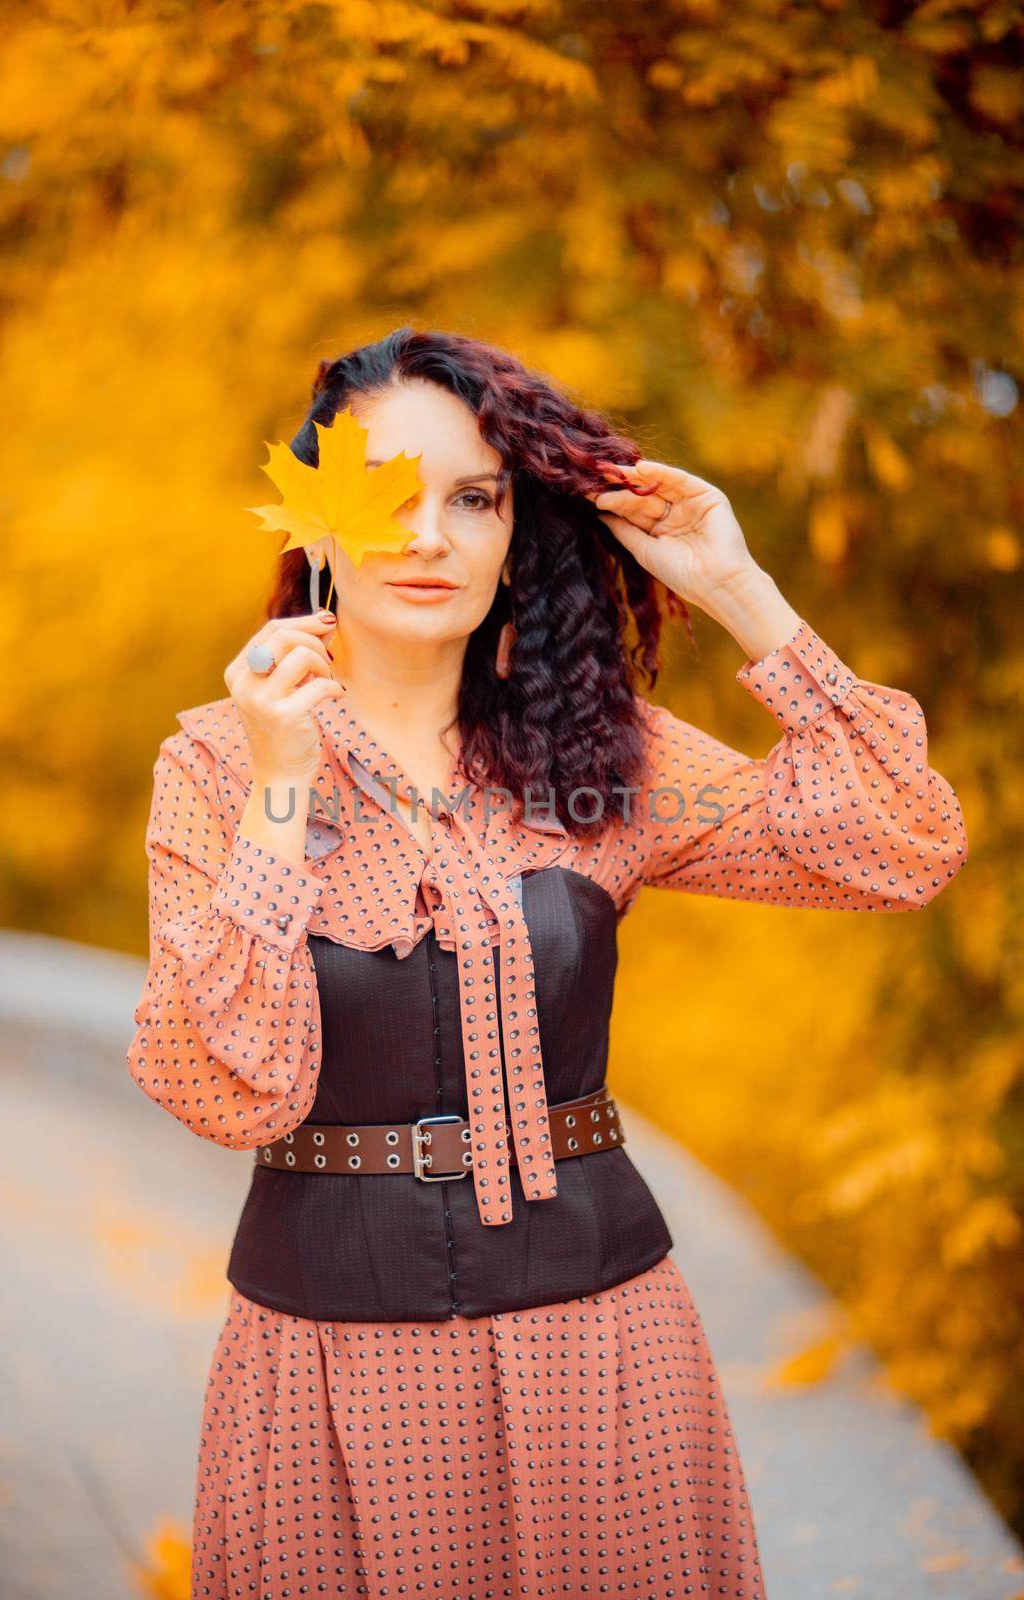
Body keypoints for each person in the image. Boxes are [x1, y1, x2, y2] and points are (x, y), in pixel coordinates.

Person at [126, 327, 969, 1599]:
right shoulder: (213, 768)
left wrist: (739, 590)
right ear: (312, 520)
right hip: (327, 1378)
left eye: (475, 499)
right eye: (388, 494)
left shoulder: (595, 751)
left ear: (516, 531)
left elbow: (897, 843)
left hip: (602, 1351)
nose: (429, 536)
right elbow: (216, 1083)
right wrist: (280, 799)